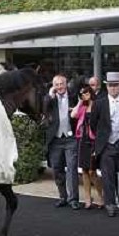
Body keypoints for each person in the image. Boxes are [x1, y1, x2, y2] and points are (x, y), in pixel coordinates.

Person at [90, 71, 119, 217]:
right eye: (110, 85)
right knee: (108, 177)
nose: (113, 88)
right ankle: (110, 204)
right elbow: (93, 124)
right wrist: (103, 138)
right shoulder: (99, 103)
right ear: (107, 87)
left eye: (116, 85)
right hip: (107, 145)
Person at [44, 74, 80, 210]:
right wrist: (49, 94)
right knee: (57, 169)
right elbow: (43, 106)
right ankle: (62, 197)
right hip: (55, 140)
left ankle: (73, 199)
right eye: (56, 84)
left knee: (72, 169)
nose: (59, 86)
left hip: (71, 139)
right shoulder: (50, 99)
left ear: (66, 84)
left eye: (61, 84)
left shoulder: (73, 96)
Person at [71, 85, 103, 209]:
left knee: (92, 171)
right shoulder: (82, 106)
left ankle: (101, 196)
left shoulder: (97, 105)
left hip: (94, 140)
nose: (84, 95)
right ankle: (88, 198)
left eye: (86, 92)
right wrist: (79, 102)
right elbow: (73, 115)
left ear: (91, 92)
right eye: (82, 94)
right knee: (84, 170)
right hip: (83, 140)